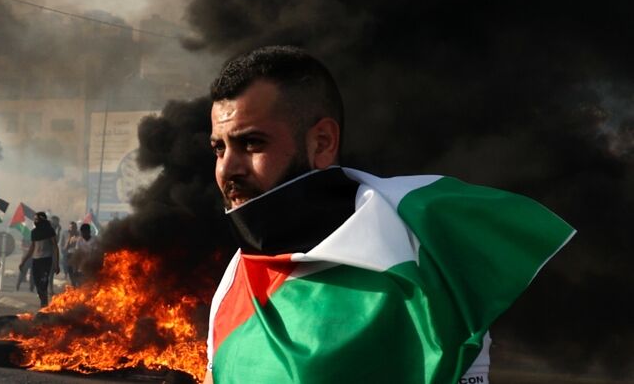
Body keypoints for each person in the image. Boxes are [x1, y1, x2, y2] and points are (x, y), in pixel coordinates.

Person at [202, 46, 543, 383]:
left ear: (322, 142)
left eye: (251, 143)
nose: (227, 169)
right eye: (219, 148)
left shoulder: (427, 260)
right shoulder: (236, 277)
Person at [18, 212, 59, 307]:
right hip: (36, 261)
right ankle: (43, 302)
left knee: (43, 284)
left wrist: (56, 263)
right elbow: (32, 248)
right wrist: (23, 261)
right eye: (34, 219)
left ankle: (44, 306)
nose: (35, 221)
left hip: (46, 261)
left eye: (37, 219)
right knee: (38, 285)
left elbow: (55, 247)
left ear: (42, 220)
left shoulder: (50, 231)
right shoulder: (34, 232)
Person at [60, 221, 79, 287]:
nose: (72, 229)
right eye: (71, 227)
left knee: (75, 269)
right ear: (69, 227)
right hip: (67, 253)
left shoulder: (79, 234)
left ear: (76, 228)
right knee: (68, 268)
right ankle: (71, 280)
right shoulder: (65, 233)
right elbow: (62, 244)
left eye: (74, 227)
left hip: (76, 255)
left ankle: (75, 283)